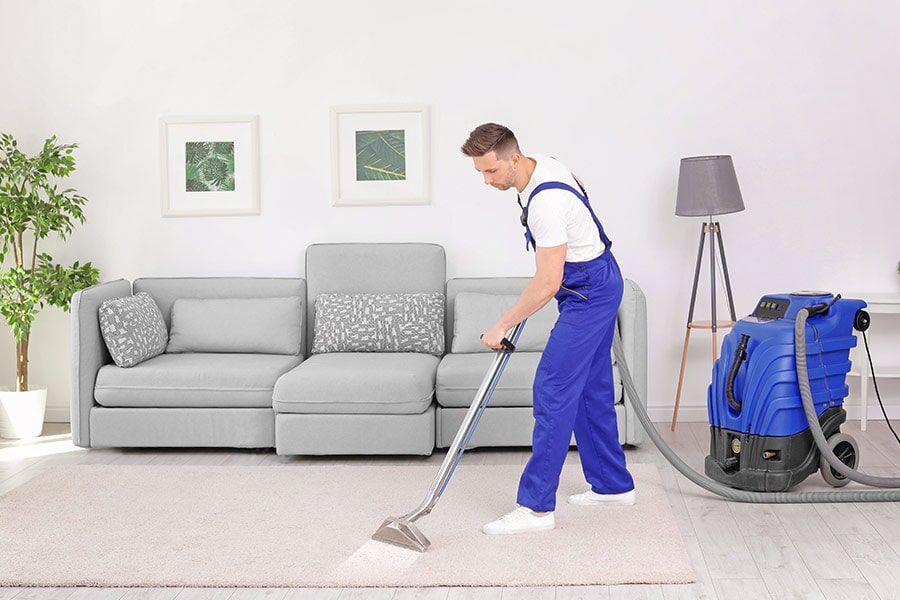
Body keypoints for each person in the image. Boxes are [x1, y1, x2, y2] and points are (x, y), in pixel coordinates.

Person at [459, 122, 636, 535]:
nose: (487, 181)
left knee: (552, 389)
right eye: (481, 173)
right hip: (598, 279)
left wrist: (503, 323)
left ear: (514, 158)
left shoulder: (546, 203)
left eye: (491, 172)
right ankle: (612, 485)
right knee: (591, 388)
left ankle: (536, 507)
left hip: (588, 292)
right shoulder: (545, 165)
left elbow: (546, 283)